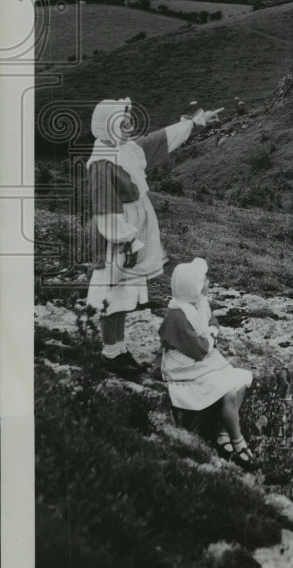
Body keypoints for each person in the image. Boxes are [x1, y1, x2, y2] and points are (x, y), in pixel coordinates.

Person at [86, 97, 221, 378]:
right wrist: (127, 240)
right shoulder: (101, 162)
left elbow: (160, 140)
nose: (128, 125)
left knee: (123, 297)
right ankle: (111, 353)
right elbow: (105, 212)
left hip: (134, 233)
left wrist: (195, 122)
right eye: (121, 122)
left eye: (127, 120)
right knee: (113, 295)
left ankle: (119, 350)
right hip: (118, 239)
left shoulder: (126, 150)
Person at [158, 257, 255, 469]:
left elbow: (211, 322)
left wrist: (211, 331)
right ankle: (238, 442)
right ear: (193, 288)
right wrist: (211, 336)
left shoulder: (200, 304)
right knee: (229, 392)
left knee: (240, 383)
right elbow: (198, 349)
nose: (208, 282)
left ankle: (224, 434)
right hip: (185, 365)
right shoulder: (177, 314)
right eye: (204, 280)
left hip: (203, 359)